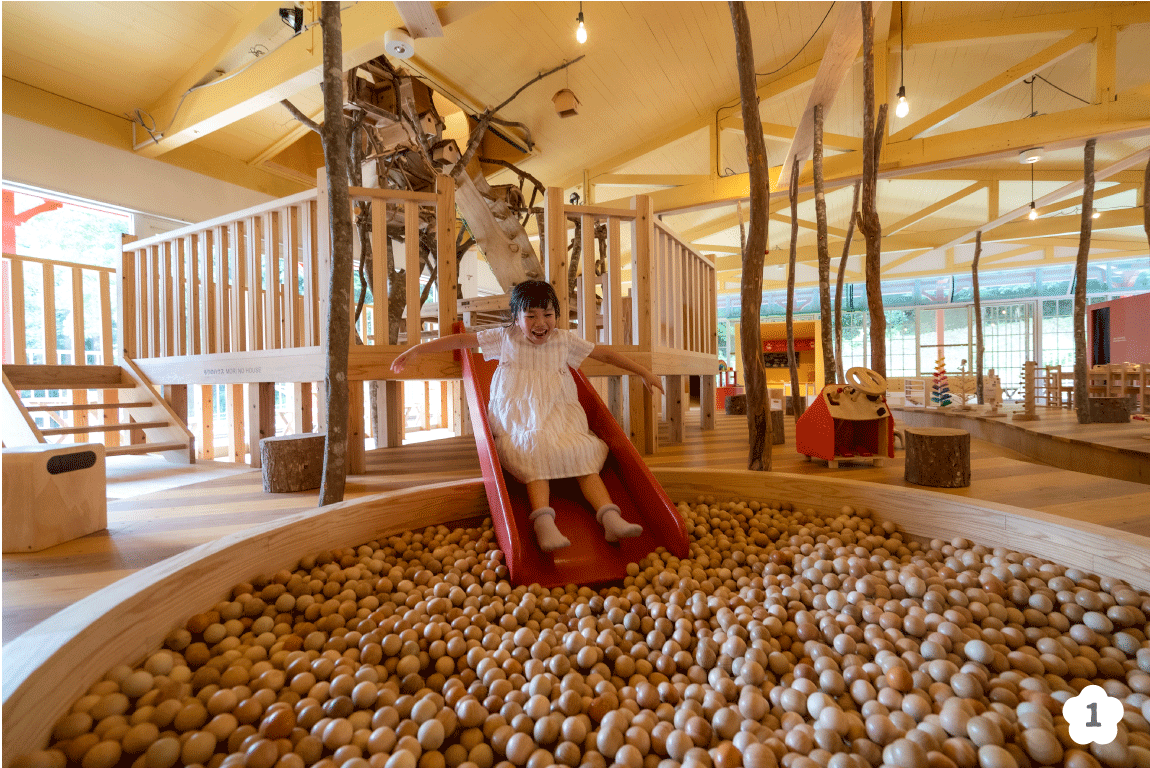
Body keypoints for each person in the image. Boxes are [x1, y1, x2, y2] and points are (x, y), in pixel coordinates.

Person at [391, 280, 664, 552]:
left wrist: (642, 371)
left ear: (556, 315)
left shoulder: (563, 341)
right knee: (533, 447)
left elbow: (603, 353)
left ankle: (609, 517)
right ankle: (543, 522)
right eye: (530, 315)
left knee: (580, 448)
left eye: (547, 314)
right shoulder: (506, 338)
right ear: (516, 318)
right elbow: (463, 340)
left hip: (558, 411)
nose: (540, 322)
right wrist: (417, 349)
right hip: (518, 415)